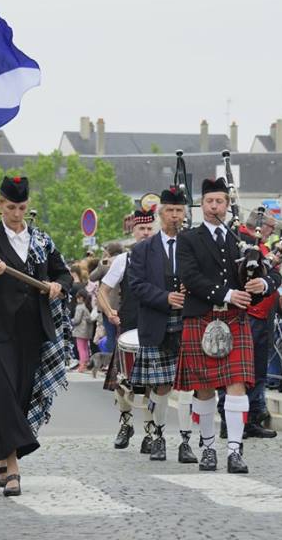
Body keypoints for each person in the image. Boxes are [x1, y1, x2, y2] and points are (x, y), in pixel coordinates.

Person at [0, 175, 72, 497]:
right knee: (2, 390)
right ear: (0, 205)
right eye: (10, 207)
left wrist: (59, 287)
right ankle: (14, 465)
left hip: (33, 328)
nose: (16, 213)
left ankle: (0, 455)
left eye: (21, 207)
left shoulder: (42, 241)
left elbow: (64, 273)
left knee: (18, 394)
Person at [175, 177, 274, 473]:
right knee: (204, 389)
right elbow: (190, 277)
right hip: (202, 316)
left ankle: (234, 450)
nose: (213, 206)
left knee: (237, 385)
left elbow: (268, 273)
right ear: (202, 204)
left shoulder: (239, 240)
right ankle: (207, 449)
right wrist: (228, 293)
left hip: (233, 319)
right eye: (208, 201)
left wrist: (263, 284)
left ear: (227, 205)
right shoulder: (188, 239)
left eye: (219, 201)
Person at [126, 185, 201, 463]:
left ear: (185, 213)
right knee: (161, 386)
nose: (174, 215)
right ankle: (157, 437)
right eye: (169, 210)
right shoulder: (143, 249)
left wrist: (192, 289)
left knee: (188, 385)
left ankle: (185, 442)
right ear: (160, 213)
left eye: (179, 210)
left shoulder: (193, 245)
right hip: (158, 322)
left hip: (188, 323)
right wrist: (166, 297)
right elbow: (136, 286)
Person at [97, 209, 156, 452]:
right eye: (141, 228)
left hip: (155, 327)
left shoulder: (163, 258)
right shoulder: (124, 260)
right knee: (122, 383)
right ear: (133, 231)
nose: (145, 232)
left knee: (154, 382)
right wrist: (110, 312)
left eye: (149, 228)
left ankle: (152, 432)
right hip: (129, 328)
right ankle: (126, 422)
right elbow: (102, 290)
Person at [233, 211, 281, 439]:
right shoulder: (245, 243)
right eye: (270, 227)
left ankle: (249, 419)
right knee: (245, 371)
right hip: (250, 314)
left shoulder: (257, 245)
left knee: (255, 369)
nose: (272, 233)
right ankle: (240, 420)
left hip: (259, 315)